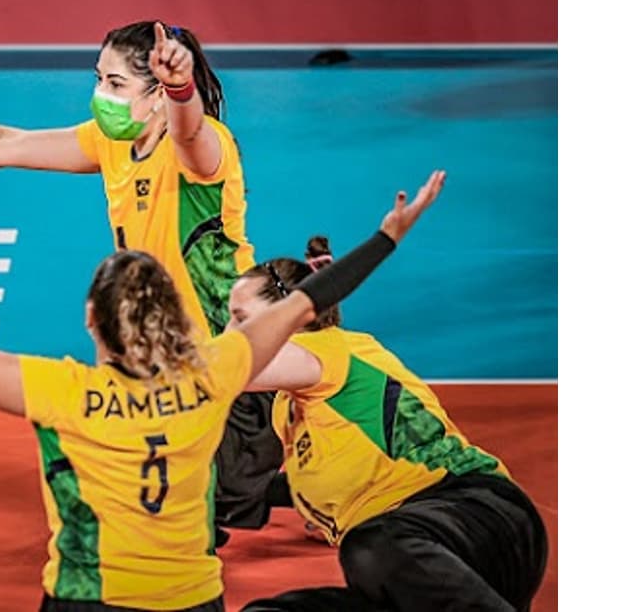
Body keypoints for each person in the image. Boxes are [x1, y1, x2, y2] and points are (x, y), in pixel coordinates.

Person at [0, 172, 446, 612]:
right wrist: (386, 238)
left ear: (92, 321)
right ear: (177, 320)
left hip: (88, 600)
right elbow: (305, 303)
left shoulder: (61, 390)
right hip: (192, 601)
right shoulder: (214, 374)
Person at [0, 20, 281, 539]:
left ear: (158, 94)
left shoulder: (202, 152)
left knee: (210, 505)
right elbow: (5, 144)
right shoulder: (112, 142)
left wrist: (183, 88)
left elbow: (190, 131)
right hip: (149, 358)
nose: (100, 96)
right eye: (99, 79)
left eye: (116, 85)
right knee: (154, 497)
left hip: (217, 361)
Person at [228, 220, 548, 612]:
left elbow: (230, 367)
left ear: (286, 317)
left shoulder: (329, 349)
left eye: (241, 319)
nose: (229, 332)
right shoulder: (288, 409)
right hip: (415, 566)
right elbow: (301, 487)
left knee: (371, 545)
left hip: (481, 519)